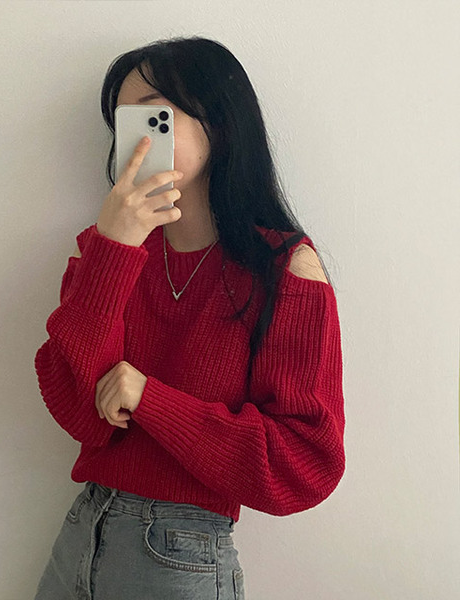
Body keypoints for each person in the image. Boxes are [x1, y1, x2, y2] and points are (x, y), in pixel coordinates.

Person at [33, 35, 346, 600]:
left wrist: (150, 399)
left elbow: (303, 463)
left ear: (218, 125)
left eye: (154, 116)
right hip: (80, 530)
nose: (136, 137)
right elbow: (79, 412)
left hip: (179, 554)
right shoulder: (103, 251)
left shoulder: (284, 269)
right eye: (124, 120)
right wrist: (114, 248)